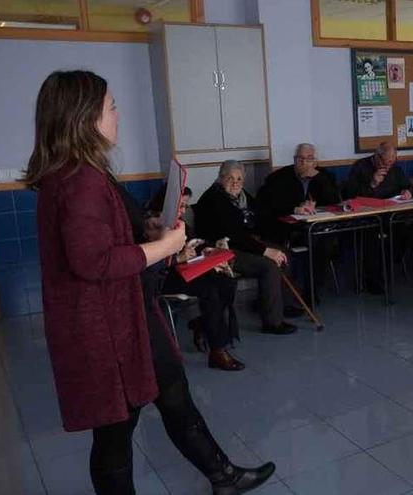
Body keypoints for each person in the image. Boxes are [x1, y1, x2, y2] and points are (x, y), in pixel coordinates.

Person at [25, 70, 273, 494]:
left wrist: (150, 229)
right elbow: (93, 261)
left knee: (173, 392)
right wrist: (167, 245)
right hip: (107, 328)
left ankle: (224, 476)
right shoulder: (80, 180)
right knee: (115, 432)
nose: (118, 115)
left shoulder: (80, 171)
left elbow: (104, 234)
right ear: (85, 118)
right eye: (112, 107)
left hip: (127, 316)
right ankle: (223, 476)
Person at [194, 160, 299, 335]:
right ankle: (273, 322)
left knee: (283, 253)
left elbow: (261, 215)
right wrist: (266, 250)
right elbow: (235, 235)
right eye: (230, 179)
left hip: (242, 244)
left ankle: (280, 305)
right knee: (269, 265)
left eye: (239, 179)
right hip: (221, 251)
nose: (235, 183)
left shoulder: (241, 196)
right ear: (220, 178)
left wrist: (291, 214)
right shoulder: (214, 199)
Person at [148, 187, 244, 371]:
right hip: (163, 277)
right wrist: (178, 258)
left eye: (185, 206)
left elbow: (192, 241)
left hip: (183, 270)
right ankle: (217, 351)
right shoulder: (151, 223)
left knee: (226, 280)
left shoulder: (178, 221)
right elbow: (151, 261)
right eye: (181, 206)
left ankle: (202, 323)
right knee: (209, 290)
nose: (183, 211)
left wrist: (206, 250)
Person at [256, 143, 340, 301]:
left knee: (325, 243)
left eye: (309, 159)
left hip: (315, 227)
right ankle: (300, 295)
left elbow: (335, 201)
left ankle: (312, 293)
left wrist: (319, 178)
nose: (304, 163)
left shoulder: (324, 176)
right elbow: (269, 205)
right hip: (288, 230)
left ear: (315, 161)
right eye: (300, 159)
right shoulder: (279, 177)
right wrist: (295, 208)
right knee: (314, 243)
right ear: (294, 160)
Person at [342, 141, 412, 200]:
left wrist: (408, 192)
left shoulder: (395, 168)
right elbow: (350, 194)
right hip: (368, 211)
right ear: (377, 157)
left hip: (392, 207)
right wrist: (372, 184)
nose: (388, 167)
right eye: (385, 163)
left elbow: (409, 186)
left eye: (391, 163)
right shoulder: (360, 166)